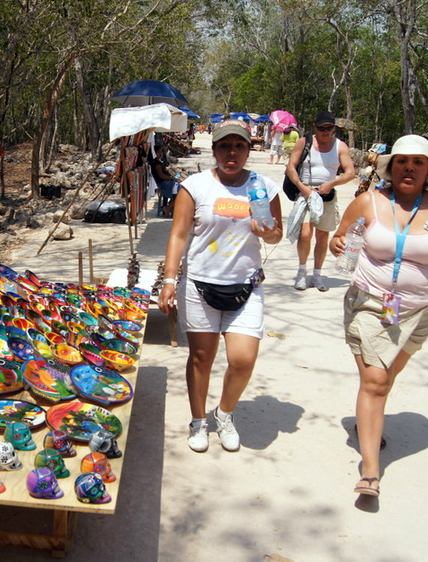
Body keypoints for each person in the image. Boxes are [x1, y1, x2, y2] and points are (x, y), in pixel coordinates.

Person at [330, 135, 428, 497]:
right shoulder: (368, 202)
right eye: (402, 161)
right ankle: (371, 472)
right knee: (377, 381)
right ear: (390, 167)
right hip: (369, 304)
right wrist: (337, 242)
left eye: (418, 162)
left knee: (385, 379)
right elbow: (341, 237)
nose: (410, 167)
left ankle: (368, 422)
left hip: (419, 310)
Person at [157, 119, 284, 453]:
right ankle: (198, 421)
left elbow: (277, 233)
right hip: (199, 286)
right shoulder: (195, 186)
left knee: (243, 359)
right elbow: (179, 235)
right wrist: (170, 280)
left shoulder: (264, 187)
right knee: (202, 357)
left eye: (239, 146)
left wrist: (267, 231)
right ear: (214, 150)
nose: (232, 152)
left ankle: (224, 414)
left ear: (248, 149)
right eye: (225, 146)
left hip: (246, 286)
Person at [287, 111, 356, 291]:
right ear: (315, 127)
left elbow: (350, 173)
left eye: (330, 128)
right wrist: (303, 188)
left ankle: (317, 274)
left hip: (327, 195)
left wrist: (332, 183)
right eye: (322, 128)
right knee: (305, 234)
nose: (326, 132)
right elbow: (291, 168)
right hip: (307, 193)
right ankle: (302, 271)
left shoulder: (340, 146)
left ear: (334, 128)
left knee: (323, 235)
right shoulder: (304, 142)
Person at [151, 145, 179, 217]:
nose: (160, 154)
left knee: (179, 189)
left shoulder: (159, 162)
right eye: (158, 152)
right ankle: (168, 207)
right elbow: (161, 175)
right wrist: (172, 178)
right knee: (180, 191)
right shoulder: (156, 164)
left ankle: (169, 206)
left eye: (161, 152)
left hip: (166, 182)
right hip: (163, 183)